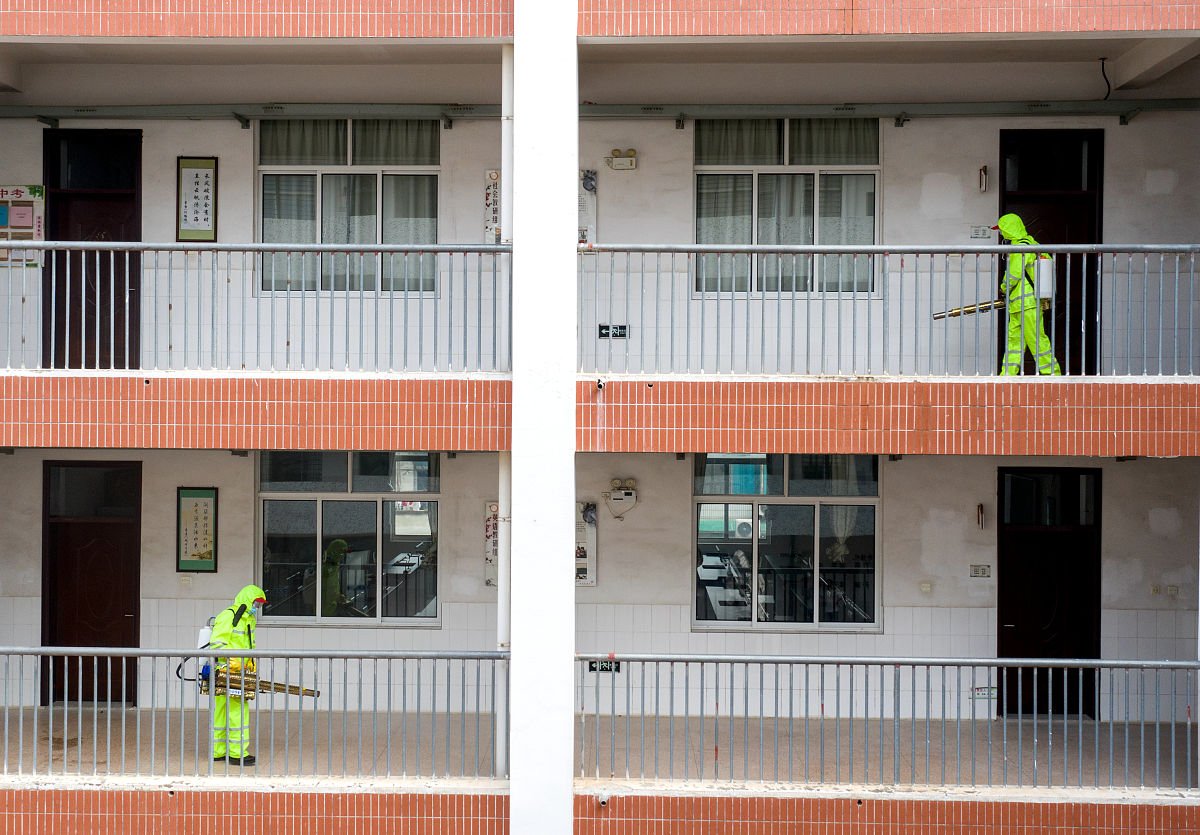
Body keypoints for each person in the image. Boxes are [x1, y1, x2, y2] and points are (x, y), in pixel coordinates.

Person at [992, 213, 1062, 376]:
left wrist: (1003, 287)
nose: (1001, 234)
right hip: (1019, 304)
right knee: (1014, 342)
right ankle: (1007, 375)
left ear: (1009, 229)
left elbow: (1014, 274)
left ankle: (1053, 375)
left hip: (1027, 303)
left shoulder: (1021, 247)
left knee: (1036, 340)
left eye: (1002, 230)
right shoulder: (1031, 244)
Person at [208, 583, 266, 766]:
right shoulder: (230, 616)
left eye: (260, 605)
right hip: (228, 672)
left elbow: (249, 645)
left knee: (223, 711)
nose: (257, 608)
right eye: (256, 603)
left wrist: (250, 664)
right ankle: (237, 753)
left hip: (236, 672)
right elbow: (216, 644)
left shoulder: (248, 619)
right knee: (237, 711)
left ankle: (218, 752)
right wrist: (233, 660)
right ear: (247, 600)